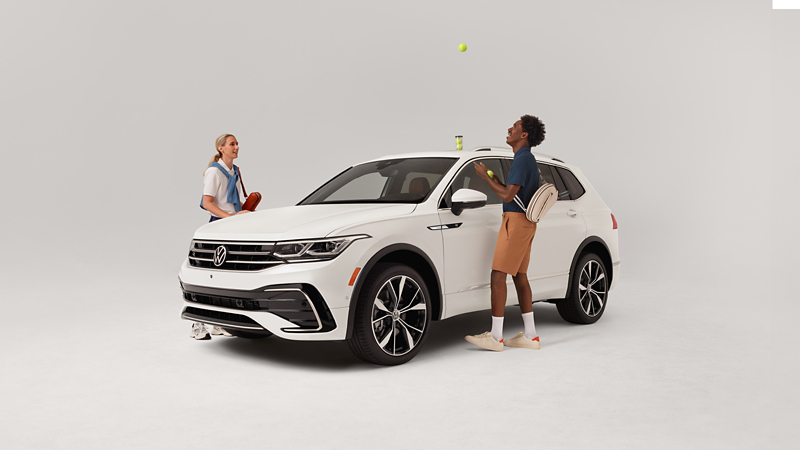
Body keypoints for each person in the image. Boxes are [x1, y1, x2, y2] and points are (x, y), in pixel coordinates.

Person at [465, 115, 546, 351]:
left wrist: (483, 178)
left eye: (516, 127)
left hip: (515, 222)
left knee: (497, 275)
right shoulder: (525, 159)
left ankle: (495, 337)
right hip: (525, 222)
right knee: (520, 276)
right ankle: (530, 336)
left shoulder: (522, 159)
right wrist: (492, 177)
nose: (510, 128)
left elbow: (507, 196)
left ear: (524, 135)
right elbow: (511, 190)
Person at [190, 133, 250, 340]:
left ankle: (218, 322)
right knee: (206, 276)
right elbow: (207, 203)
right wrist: (229, 218)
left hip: (234, 228)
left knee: (227, 277)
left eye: (237, 144)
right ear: (221, 148)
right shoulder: (214, 173)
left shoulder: (235, 171)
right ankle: (197, 324)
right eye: (232, 144)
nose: (237, 147)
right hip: (219, 227)